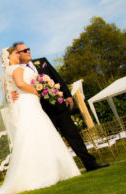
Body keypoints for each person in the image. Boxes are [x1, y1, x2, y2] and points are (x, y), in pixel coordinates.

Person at [0, 47, 80, 194]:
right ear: (10, 57)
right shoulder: (16, 68)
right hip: (29, 104)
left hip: (25, 104)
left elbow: (7, 92)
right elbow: (20, 84)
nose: (17, 55)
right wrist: (38, 91)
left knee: (32, 137)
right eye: (15, 53)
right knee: (40, 134)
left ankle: (41, 171)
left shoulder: (6, 73)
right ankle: (47, 173)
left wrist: (10, 96)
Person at [11, 42, 110, 171]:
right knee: (49, 142)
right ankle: (55, 171)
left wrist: (68, 95)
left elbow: (57, 78)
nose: (28, 51)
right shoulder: (18, 70)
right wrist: (12, 94)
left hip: (58, 106)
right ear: (18, 55)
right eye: (24, 51)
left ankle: (90, 164)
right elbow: (14, 86)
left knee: (74, 135)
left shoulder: (42, 62)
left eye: (28, 49)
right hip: (41, 111)